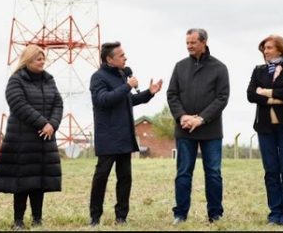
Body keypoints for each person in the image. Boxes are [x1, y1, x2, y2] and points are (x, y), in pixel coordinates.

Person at [88, 41, 163, 227]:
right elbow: (103, 100)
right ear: (109, 59)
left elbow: (128, 100)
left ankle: (121, 217)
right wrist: (127, 86)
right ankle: (95, 217)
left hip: (124, 136)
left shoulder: (122, 75)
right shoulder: (98, 78)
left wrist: (149, 93)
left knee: (125, 178)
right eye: (121, 55)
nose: (125, 58)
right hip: (108, 137)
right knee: (101, 177)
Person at [0, 45, 63, 230]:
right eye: (38, 59)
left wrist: (53, 125)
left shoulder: (49, 80)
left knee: (39, 181)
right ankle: (18, 221)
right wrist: (43, 123)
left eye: (43, 58)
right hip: (21, 139)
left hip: (44, 139)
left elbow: (58, 103)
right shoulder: (16, 80)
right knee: (22, 182)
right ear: (27, 60)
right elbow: (19, 105)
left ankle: (37, 219)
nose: (42, 61)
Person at [167, 28, 230, 224]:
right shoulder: (179, 67)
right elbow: (172, 95)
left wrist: (201, 119)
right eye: (187, 43)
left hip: (210, 130)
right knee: (183, 172)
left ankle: (215, 214)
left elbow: (222, 98)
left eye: (193, 42)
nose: (189, 46)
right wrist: (182, 116)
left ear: (204, 42)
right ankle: (180, 214)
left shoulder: (219, 68)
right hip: (185, 129)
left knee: (213, 173)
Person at [246, 35, 283, 225]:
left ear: (280, 49)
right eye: (264, 48)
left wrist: (267, 92)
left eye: (269, 47)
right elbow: (250, 95)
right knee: (271, 171)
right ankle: (274, 212)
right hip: (265, 128)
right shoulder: (259, 70)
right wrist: (276, 97)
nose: (266, 51)